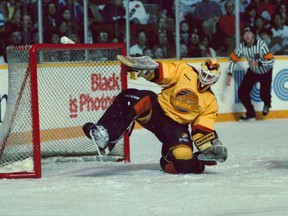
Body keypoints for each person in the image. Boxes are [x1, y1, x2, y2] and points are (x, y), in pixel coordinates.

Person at [82, 55, 228, 174]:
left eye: (210, 77)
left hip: (176, 129)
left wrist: (210, 149)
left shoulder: (210, 102)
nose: (204, 79)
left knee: (184, 164)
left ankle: (171, 159)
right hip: (157, 111)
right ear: (200, 70)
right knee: (138, 97)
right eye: (204, 74)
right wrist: (145, 70)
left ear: (215, 80)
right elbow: (161, 72)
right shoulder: (185, 71)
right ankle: (106, 134)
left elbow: (201, 131)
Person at [226, 26, 274, 121]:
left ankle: (267, 104)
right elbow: (233, 59)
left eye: (249, 33)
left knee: (264, 94)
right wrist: (229, 74)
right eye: (245, 33)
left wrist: (259, 63)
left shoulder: (261, 44)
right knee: (242, 92)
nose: (246, 35)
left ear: (254, 35)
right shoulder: (242, 47)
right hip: (253, 71)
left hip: (266, 71)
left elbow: (271, 61)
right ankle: (251, 113)